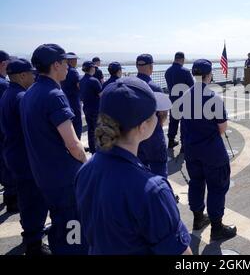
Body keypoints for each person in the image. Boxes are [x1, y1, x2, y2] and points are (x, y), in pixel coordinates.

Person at [75, 77, 192, 255]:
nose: (158, 116)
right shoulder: (153, 190)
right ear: (142, 127)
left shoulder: (86, 170)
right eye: (154, 113)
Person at [21, 44, 88, 255]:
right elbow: (73, 144)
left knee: (60, 221)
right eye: (65, 62)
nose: (69, 66)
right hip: (64, 177)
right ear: (56, 65)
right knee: (73, 227)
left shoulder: (30, 93)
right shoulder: (53, 95)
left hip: (43, 173)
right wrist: (88, 166)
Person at [180, 59, 237, 241]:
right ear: (208, 75)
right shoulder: (214, 98)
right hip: (212, 153)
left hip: (191, 150)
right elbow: (222, 128)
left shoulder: (184, 96)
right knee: (217, 188)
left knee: (196, 183)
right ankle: (217, 228)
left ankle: (198, 219)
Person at [0, 59, 50, 255]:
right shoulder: (21, 97)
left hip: (13, 153)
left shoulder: (8, 93)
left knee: (26, 197)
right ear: (22, 76)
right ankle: (34, 243)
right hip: (25, 157)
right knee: (33, 200)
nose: (34, 76)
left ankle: (31, 233)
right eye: (31, 73)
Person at [136, 54, 171, 178]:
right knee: (159, 167)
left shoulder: (130, 85)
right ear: (151, 67)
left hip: (135, 135)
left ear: (136, 66)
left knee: (139, 168)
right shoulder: (154, 87)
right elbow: (163, 113)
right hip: (153, 134)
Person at [0, 50, 18, 213]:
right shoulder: (4, 85)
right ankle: (12, 200)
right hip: (4, 133)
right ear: (4, 64)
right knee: (8, 167)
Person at [165, 52, 194, 150]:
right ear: (182, 59)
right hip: (184, 102)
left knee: (173, 122)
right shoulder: (185, 71)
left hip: (172, 101)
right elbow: (192, 86)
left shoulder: (167, 71)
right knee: (184, 124)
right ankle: (183, 146)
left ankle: (171, 141)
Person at [80, 61, 102, 154]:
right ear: (91, 68)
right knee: (98, 129)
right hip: (95, 108)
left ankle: (92, 149)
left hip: (86, 108)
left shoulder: (82, 80)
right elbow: (101, 94)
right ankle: (99, 151)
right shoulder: (94, 80)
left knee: (90, 129)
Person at [61, 52, 82, 139]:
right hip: (73, 101)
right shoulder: (73, 72)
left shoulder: (61, 71)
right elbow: (79, 85)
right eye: (75, 60)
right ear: (71, 61)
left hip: (63, 100)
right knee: (76, 124)